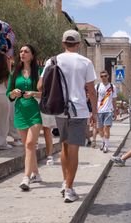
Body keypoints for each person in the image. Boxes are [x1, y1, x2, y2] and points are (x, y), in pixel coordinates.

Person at [38, 30, 97, 202]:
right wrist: (94, 112)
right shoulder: (85, 62)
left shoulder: (52, 60)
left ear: (63, 43)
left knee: (64, 147)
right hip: (78, 110)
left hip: (59, 109)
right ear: (78, 44)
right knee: (74, 150)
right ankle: (70, 188)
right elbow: (91, 91)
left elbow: (40, 85)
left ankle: (65, 182)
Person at [6, 44, 43, 191]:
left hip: (34, 112)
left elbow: (44, 94)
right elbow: (9, 94)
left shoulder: (38, 72)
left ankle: (25, 178)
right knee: (29, 147)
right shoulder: (14, 73)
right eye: (21, 51)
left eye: (26, 51)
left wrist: (33, 93)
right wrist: (13, 93)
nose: (22, 53)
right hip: (20, 111)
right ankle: (36, 174)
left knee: (29, 145)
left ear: (32, 55)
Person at [95, 70, 117, 153]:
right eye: (102, 76)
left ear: (108, 76)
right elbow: (94, 99)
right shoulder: (97, 86)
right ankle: (103, 142)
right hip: (99, 111)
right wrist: (93, 111)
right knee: (100, 130)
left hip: (108, 110)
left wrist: (115, 111)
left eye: (105, 76)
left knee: (106, 128)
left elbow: (114, 100)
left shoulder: (112, 87)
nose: (103, 78)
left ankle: (106, 146)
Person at [0, 51, 12, 150]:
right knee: (3, 120)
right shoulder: (4, 59)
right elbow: (8, 83)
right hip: (2, 93)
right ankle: (1, 142)